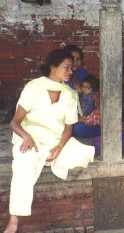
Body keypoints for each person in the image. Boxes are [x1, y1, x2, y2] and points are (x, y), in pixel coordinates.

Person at [3, 49, 95, 233]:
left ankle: (49, 158)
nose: (71, 71)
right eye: (66, 67)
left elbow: (69, 128)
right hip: (30, 139)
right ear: (53, 66)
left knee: (86, 153)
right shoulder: (34, 87)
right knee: (22, 166)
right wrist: (26, 136)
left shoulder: (70, 93)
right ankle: (13, 221)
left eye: (72, 68)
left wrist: (59, 147)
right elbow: (14, 122)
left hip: (55, 141)